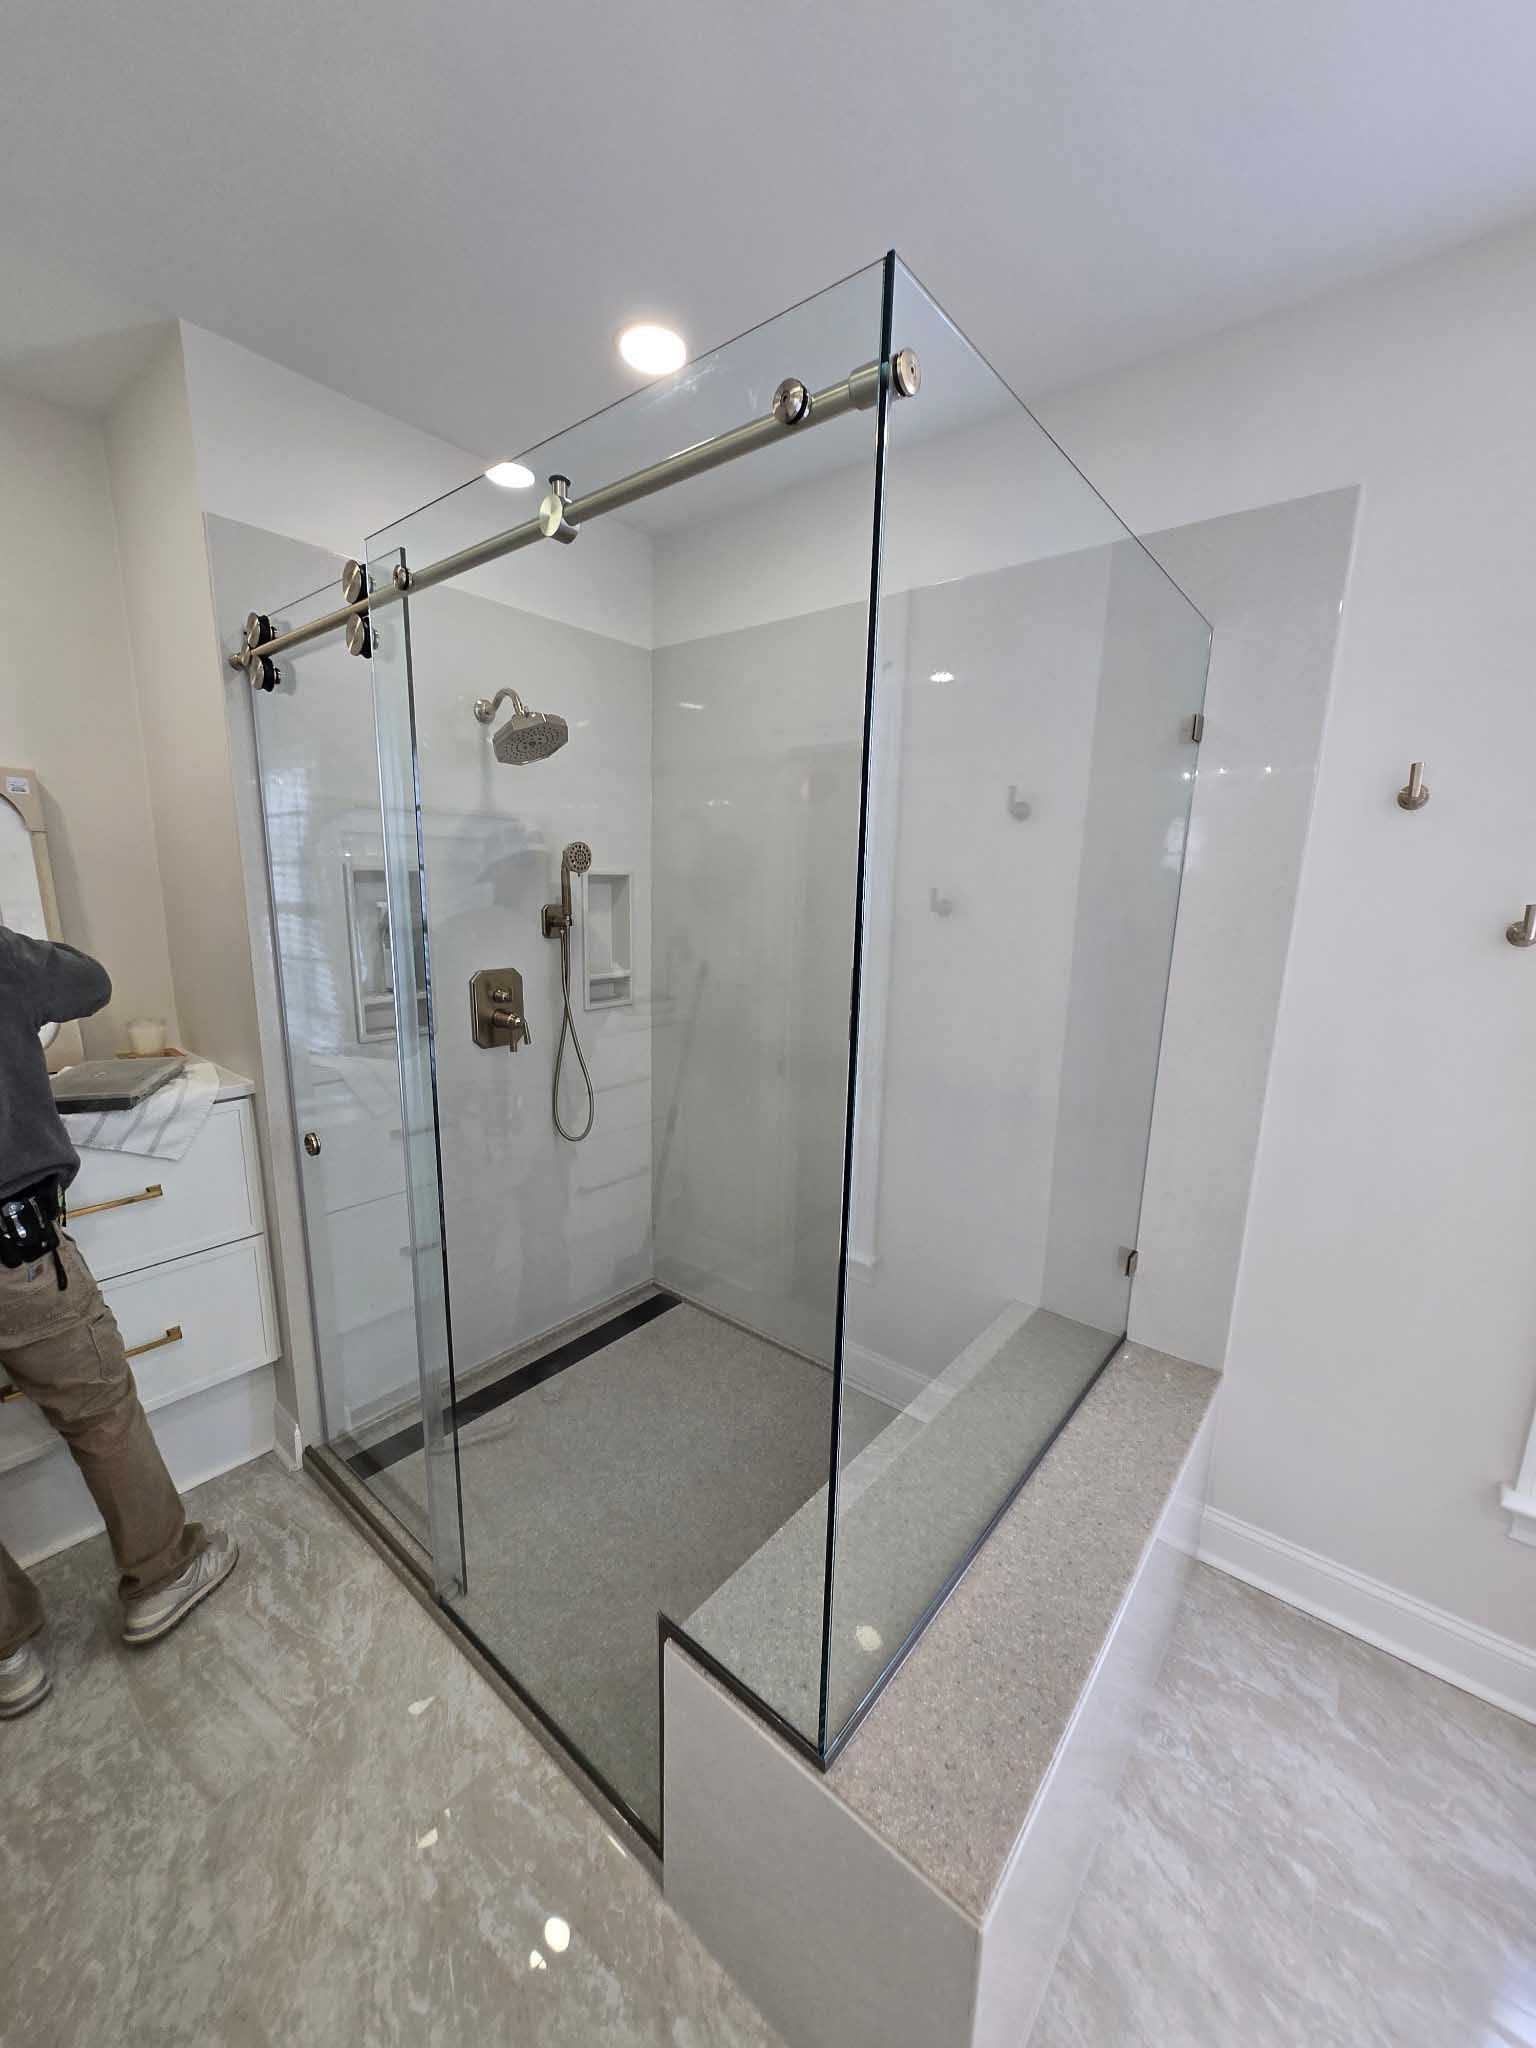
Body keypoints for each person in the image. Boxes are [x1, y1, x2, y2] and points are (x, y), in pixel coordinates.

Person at [0, 926, 237, 1719]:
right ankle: (162, 1574)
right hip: (15, 1254)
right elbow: (88, 983)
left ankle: (7, 1655)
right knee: (99, 1409)